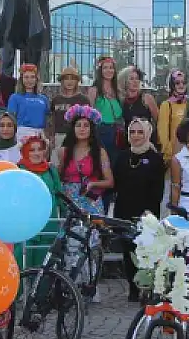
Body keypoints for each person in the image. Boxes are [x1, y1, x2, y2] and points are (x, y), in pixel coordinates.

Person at [59, 104, 115, 300]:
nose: (82, 129)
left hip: (91, 202)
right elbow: (60, 178)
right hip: (71, 201)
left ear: (92, 129)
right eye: (79, 125)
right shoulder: (64, 151)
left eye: (86, 125)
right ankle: (70, 286)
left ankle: (90, 287)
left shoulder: (99, 152)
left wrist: (93, 184)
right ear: (72, 128)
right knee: (71, 243)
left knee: (90, 245)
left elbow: (110, 181)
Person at [112, 118, 166, 301]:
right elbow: (116, 184)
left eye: (140, 132)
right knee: (128, 252)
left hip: (146, 212)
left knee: (145, 251)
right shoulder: (121, 157)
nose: (136, 136)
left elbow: (158, 189)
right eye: (132, 132)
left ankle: (146, 286)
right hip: (124, 210)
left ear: (147, 134)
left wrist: (150, 212)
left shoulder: (155, 158)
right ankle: (132, 287)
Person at [18, 134, 61, 217]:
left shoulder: (51, 169)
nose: (37, 153)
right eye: (32, 150)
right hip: (26, 219)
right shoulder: (18, 170)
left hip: (50, 218)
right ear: (24, 151)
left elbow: (59, 195)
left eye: (40, 149)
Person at [8, 63, 51, 141]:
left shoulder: (43, 98)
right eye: (26, 77)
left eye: (32, 77)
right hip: (22, 133)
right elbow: (11, 118)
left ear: (36, 79)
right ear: (22, 79)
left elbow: (48, 118)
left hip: (40, 133)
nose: (29, 80)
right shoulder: (15, 97)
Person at [49, 66, 89, 149]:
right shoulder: (56, 99)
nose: (69, 81)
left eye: (73, 79)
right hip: (59, 136)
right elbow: (52, 120)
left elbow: (88, 121)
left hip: (77, 136)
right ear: (62, 81)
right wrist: (51, 136)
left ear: (77, 81)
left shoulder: (83, 100)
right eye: (66, 78)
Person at [157, 70, 189, 165]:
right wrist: (168, 153)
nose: (181, 85)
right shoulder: (166, 105)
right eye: (177, 83)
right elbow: (162, 132)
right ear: (172, 85)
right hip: (173, 154)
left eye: (183, 82)